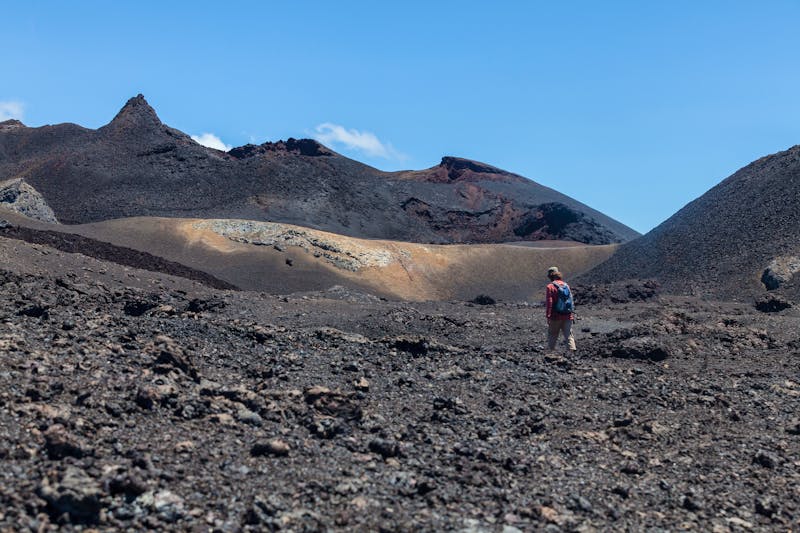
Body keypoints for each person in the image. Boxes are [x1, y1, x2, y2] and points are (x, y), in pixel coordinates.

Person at [545, 266, 576, 352]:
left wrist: (548, 316)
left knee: (553, 334)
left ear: (550, 276)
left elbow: (549, 302)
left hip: (555, 316)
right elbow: (571, 300)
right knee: (569, 335)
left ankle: (551, 352)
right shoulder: (566, 285)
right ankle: (572, 352)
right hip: (568, 315)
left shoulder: (550, 287)